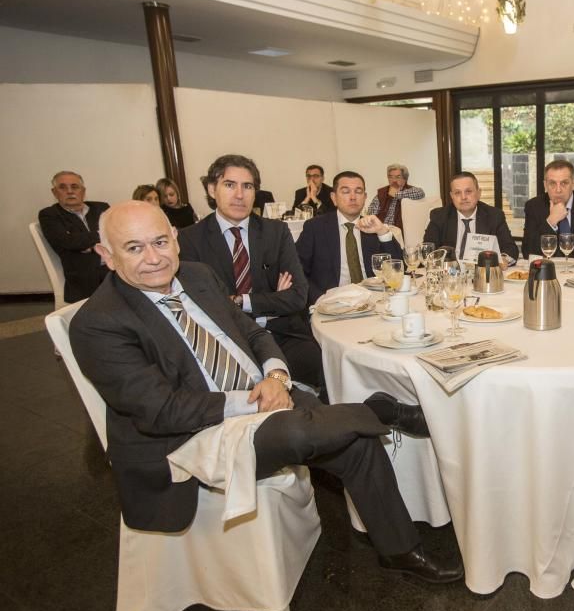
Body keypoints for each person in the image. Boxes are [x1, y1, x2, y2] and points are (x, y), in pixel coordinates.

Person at [69, 201, 462, 583]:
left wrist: (275, 376)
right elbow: (161, 411)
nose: (153, 258)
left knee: (352, 438)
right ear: (107, 254)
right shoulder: (100, 322)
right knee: (300, 429)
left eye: (159, 242)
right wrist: (254, 400)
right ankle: (383, 411)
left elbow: (253, 331)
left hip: (264, 393)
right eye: (134, 248)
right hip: (190, 437)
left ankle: (398, 550)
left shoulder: (197, 276)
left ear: (175, 238)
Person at [178, 155, 324, 390]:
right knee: (261, 390)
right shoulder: (190, 239)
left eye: (248, 186)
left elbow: (297, 296)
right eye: (229, 185)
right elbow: (203, 306)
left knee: (326, 369)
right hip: (229, 341)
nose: (239, 195)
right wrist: (274, 299)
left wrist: (239, 300)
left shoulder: (275, 232)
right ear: (212, 189)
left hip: (282, 334)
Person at [296, 171, 403, 305]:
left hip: (372, 301)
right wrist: (318, 298)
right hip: (331, 304)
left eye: (358, 192)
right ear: (334, 198)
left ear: (365, 197)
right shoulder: (315, 228)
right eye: (346, 192)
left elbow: (398, 268)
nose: (353, 197)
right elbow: (297, 270)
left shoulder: (373, 226)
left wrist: (382, 232)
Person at [38, 170, 110, 303]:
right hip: (85, 276)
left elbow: (117, 232)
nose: (70, 191)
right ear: (54, 192)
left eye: (75, 187)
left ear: (83, 191)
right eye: (63, 187)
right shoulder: (50, 215)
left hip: (112, 266)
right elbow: (68, 241)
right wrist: (101, 234)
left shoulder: (101, 207)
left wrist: (87, 244)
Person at [422, 172, 519, 263]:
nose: (463, 197)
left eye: (468, 191)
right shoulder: (439, 216)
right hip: (450, 275)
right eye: (457, 193)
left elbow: (510, 248)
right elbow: (427, 250)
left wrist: (503, 259)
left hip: (482, 273)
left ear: (478, 193)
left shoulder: (494, 215)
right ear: (452, 196)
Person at [522, 160, 574, 260]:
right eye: (552, 183)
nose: (558, 190)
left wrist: (555, 252)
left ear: (573, 184)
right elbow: (528, 251)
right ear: (545, 185)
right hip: (548, 271)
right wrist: (551, 221)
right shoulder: (533, 206)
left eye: (564, 183)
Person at [366, 163, 426, 231]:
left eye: (398, 177)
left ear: (405, 178)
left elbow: (420, 193)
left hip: (402, 231)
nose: (394, 180)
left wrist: (396, 194)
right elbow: (371, 214)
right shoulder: (382, 193)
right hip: (382, 230)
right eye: (390, 177)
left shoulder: (410, 190)